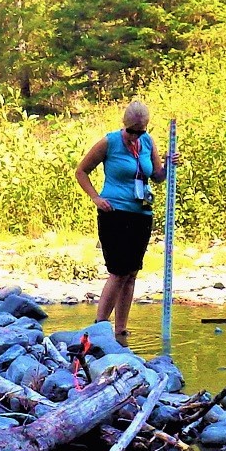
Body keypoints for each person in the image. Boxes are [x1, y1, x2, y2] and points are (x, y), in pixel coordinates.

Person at [74, 99, 167, 340]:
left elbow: (157, 176)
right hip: (114, 214)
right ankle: (99, 326)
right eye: (132, 131)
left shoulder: (147, 142)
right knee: (118, 271)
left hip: (141, 214)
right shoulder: (110, 142)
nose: (136, 136)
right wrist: (96, 198)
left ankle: (121, 329)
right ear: (124, 125)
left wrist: (169, 166)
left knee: (132, 272)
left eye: (141, 131)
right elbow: (81, 171)